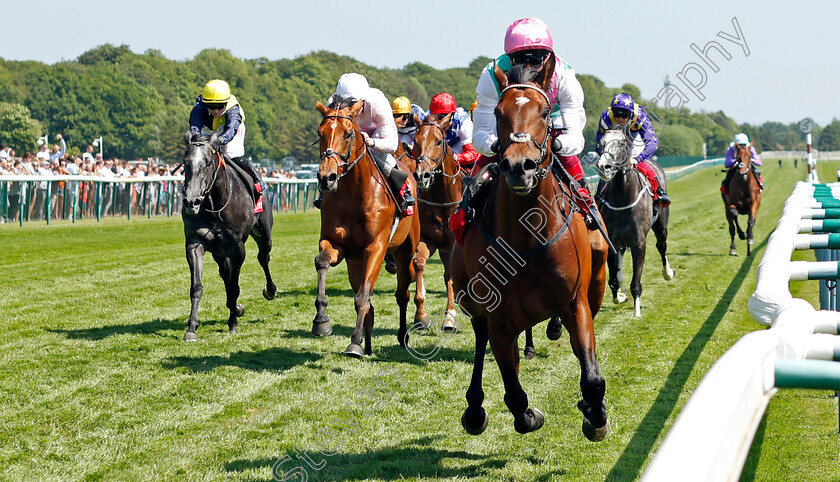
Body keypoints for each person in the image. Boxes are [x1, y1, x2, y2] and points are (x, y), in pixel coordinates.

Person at [468, 17, 597, 228]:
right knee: (471, 189)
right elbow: (481, 132)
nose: (528, 67)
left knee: (573, 168)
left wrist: (557, 144)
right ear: (509, 59)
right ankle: (463, 217)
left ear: (547, 58)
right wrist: (494, 145)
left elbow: (575, 136)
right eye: (519, 59)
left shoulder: (564, 76)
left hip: (551, 126)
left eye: (536, 59)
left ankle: (589, 211)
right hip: (508, 131)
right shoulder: (491, 75)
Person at [314, 73, 415, 214]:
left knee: (381, 157)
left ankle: (403, 191)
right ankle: (323, 193)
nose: (348, 107)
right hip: (349, 137)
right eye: (345, 103)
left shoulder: (378, 103)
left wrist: (372, 142)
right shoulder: (333, 103)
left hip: (374, 135)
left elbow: (392, 145)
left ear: (363, 100)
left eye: (352, 103)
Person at [189, 79, 266, 199]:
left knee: (231, 154)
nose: (215, 111)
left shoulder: (233, 110)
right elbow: (195, 122)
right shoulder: (200, 105)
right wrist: (195, 135)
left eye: (220, 107)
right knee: (197, 154)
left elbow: (231, 129)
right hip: (209, 128)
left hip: (230, 128)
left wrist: (220, 140)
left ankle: (256, 179)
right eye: (211, 107)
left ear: (226, 103)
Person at [595, 93, 670, 206]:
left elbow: (653, 142)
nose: (620, 118)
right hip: (613, 141)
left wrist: (637, 159)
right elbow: (599, 140)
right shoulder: (606, 116)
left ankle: (658, 191)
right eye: (617, 114)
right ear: (612, 111)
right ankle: (598, 196)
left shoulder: (639, 116)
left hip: (634, 139)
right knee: (606, 166)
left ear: (630, 114)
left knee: (638, 162)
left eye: (624, 115)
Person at [425, 92, 480, 169]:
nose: (439, 123)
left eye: (442, 117)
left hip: (458, 146)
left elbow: (472, 153)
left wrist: (454, 157)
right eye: (435, 116)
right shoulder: (426, 119)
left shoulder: (463, 122)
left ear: (452, 115)